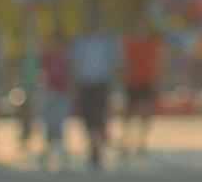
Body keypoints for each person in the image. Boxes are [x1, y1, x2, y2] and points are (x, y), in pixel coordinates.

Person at [67, 19, 121, 170]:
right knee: (88, 118)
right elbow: (73, 65)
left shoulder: (107, 43)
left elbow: (116, 63)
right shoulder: (80, 43)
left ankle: (97, 147)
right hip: (85, 85)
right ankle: (94, 146)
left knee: (99, 117)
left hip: (101, 84)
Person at [121, 20, 163, 156]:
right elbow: (124, 63)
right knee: (130, 112)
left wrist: (157, 80)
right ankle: (126, 140)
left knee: (146, 113)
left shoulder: (152, 45)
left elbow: (157, 64)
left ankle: (141, 141)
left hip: (147, 82)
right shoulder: (129, 44)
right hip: (132, 83)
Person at [35, 33, 72, 173]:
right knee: (48, 123)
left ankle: (61, 152)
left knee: (59, 123)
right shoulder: (46, 57)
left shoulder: (65, 59)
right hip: (49, 93)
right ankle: (47, 151)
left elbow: (69, 74)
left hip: (61, 94)